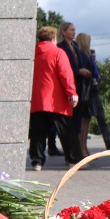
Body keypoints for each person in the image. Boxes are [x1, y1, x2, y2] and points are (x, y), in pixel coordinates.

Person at [29, 26, 81, 170]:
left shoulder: (32, 54)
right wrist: (71, 93)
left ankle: (37, 161)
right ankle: (73, 159)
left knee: (38, 133)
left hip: (37, 100)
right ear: (53, 38)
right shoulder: (58, 52)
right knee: (66, 131)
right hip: (55, 100)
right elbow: (65, 74)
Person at [57, 22, 92, 159]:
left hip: (79, 87)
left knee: (78, 121)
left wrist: (86, 72)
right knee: (70, 122)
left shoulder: (76, 47)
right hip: (67, 89)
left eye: (74, 30)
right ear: (63, 32)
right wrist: (78, 71)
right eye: (71, 30)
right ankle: (72, 153)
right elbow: (62, 69)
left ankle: (78, 151)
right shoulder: (60, 48)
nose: (74, 32)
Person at [88, 48, 110, 150]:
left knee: (102, 119)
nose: (94, 58)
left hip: (96, 94)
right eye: (92, 57)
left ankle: (108, 142)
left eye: (95, 56)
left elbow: (99, 79)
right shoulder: (87, 65)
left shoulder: (96, 67)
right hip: (88, 95)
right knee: (86, 121)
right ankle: (82, 146)